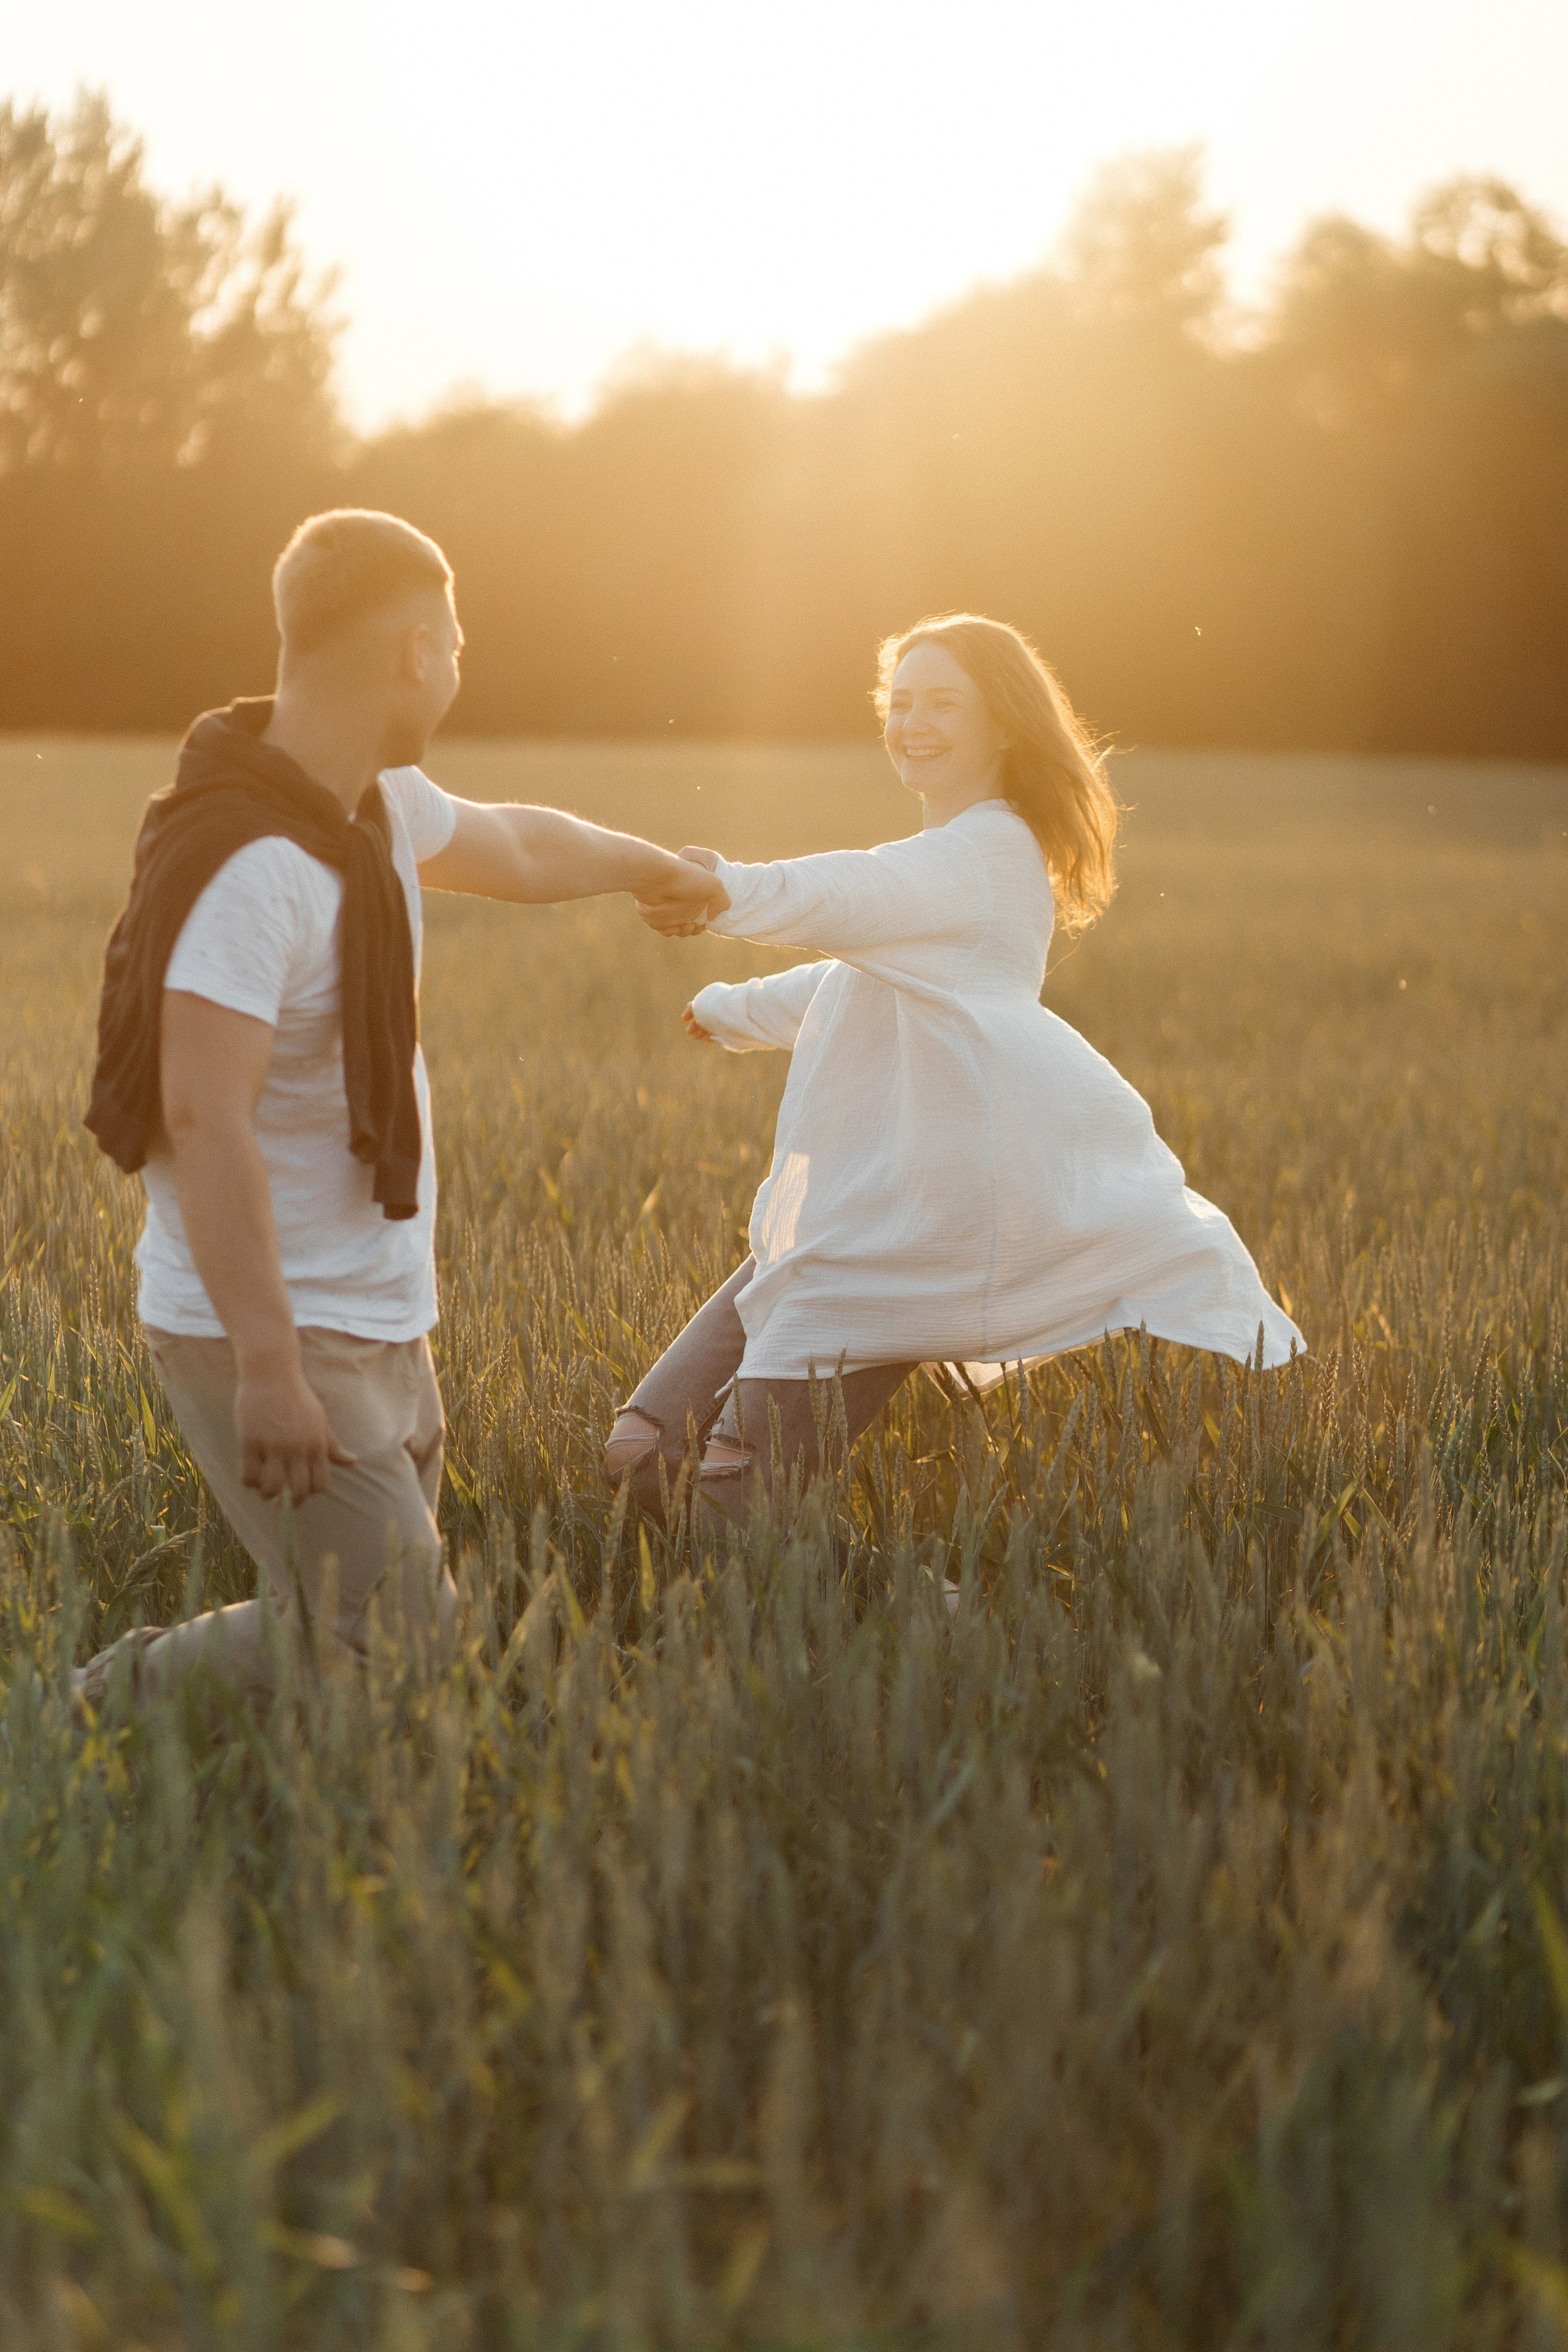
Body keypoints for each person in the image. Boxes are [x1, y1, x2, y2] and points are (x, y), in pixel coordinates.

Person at [74, 508, 723, 1706]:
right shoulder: (255, 863)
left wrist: (651, 867)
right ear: (416, 650)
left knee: (344, 1619)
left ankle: (90, 1714)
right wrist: (270, 1364)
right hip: (274, 1329)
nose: (462, 664)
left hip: (377, 1314)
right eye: (458, 640)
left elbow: (522, 848)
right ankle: (137, 1740)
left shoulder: (369, 806)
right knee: (406, 1651)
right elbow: (202, 1116)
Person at [611, 612, 1303, 1519]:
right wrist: (730, 1010)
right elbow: (859, 975)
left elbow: (849, 893)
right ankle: (800, 1612)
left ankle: (898, 1629)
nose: (914, 723)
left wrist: (726, 889)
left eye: (943, 702)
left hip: (912, 1222)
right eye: (900, 702)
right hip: (853, 1211)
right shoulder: (945, 872)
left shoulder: (986, 851)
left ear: (1004, 724)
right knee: (645, 1452)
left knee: (739, 1488)